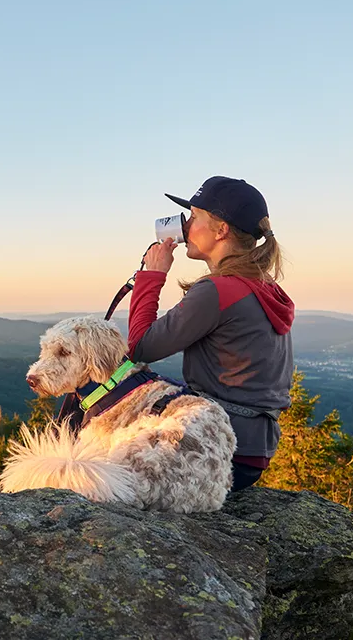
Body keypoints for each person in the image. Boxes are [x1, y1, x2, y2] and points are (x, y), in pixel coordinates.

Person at [127, 176, 294, 491]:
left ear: (221, 230)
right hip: (251, 449)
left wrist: (151, 276)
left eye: (194, 217)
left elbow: (140, 346)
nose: (185, 227)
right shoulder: (261, 287)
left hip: (218, 448)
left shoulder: (219, 290)